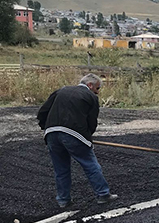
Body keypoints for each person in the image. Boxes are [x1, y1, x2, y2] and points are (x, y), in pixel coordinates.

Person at [37, 73, 118, 208]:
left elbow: (42, 112)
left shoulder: (61, 91)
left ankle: (63, 200)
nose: (97, 92)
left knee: (61, 168)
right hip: (74, 133)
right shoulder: (90, 97)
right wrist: (88, 137)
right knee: (90, 164)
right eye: (97, 88)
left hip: (51, 133)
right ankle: (103, 194)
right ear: (90, 85)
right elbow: (91, 121)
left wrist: (46, 127)